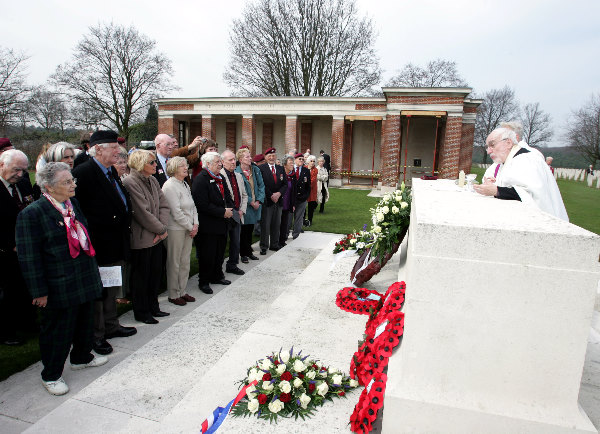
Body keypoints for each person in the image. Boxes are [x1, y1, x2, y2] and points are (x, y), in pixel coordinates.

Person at [16, 162, 108, 395]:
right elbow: (29, 257)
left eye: (72, 180)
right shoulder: (32, 214)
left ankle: (81, 357)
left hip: (82, 276)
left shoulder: (72, 204)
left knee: (84, 322)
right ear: (48, 187)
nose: (73, 185)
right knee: (58, 330)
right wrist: (39, 292)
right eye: (67, 182)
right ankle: (52, 374)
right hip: (59, 283)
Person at [72, 130, 137, 355]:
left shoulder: (109, 171)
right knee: (99, 292)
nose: (118, 152)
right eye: (113, 147)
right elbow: (78, 211)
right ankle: (97, 335)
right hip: (98, 243)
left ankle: (111, 325)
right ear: (97, 148)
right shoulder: (84, 172)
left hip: (115, 241)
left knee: (111, 287)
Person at [473, 128, 568, 221]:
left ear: (508, 143)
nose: (489, 151)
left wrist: (497, 190)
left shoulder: (526, 160)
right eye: (487, 147)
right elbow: (511, 188)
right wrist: (494, 184)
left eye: (492, 145)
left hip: (541, 220)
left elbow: (531, 196)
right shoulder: (508, 161)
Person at [122, 150, 170, 324]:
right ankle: (142, 312)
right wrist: (160, 230)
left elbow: (164, 205)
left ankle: (153, 307)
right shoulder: (130, 182)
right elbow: (142, 213)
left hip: (157, 235)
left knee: (155, 274)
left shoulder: (153, 180)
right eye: (152, 163)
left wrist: (162, 229)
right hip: (142, 239)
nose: (155, 165)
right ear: (141, 163)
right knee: (141, 277)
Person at [0, 147, 36, 346]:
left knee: (24, 289)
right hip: (5, 250)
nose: (20, 174)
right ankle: (6, 331)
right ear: (1, 164)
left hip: (26, 246)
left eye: (23, 170)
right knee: (7, 293)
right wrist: (9, 244)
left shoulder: (22, 184)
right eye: (16, 170)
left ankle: (27, 322)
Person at [192, 152, 234, 294]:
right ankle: (204, 281)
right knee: (207, 254)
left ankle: (217, 276)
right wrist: (222, 212)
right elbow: (202, 204)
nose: (220, 164)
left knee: (219, 252)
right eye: (217, 162)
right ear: (208, 164)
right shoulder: (201, 179)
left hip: (222, 224)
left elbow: (227, 196)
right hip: (208, 225)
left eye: (220, 161)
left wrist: (229, 208)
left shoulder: (220, 177)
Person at [162, 157, 198, 306]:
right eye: (182, 165)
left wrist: (195, 224)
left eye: (186, 165)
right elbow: (176, 212)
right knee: (174, 262)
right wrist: (191, 227)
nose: (186, 167)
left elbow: (193, 206)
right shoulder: (169, 186)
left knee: (185, 261)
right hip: (176, 229)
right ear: (174, 168)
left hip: (189, 228)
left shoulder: (184, 184)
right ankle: (173, 293)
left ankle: (182, 291)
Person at [220, 150, 248, 276]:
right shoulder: (219, 175)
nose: (233, 162)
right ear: (222, 162)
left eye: (234, 159)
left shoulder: (238, 176)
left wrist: (242, 210)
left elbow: (244, 195)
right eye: (230, 160)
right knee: (221, 243)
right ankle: (217, 269)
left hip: (237, 213)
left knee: (236, 242)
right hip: (224, 215)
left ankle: (232, 265)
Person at [235, 148, 265, 263]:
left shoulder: (256, 169)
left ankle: (249, 251)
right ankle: (243, 254)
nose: (250, 158)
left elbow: (261, 186)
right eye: (247, 157)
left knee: (250, 229)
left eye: (250, 156)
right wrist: (251, 202)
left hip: (256, 205)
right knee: (243, 231)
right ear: (241, 159)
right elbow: (239, 191)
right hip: (245, 206)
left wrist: (258, 201)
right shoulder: (237, 172)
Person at [258, 148, 287, 255]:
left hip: (278, 201)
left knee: (276, 223)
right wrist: (271, 195)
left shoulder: (280, 168)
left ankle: (274, 244)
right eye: (269, 156)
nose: (271, 158)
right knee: (265, 224)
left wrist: (279, 194)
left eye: (273, 155)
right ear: (265, 157)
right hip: (267, 200)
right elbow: (261, 185)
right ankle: (264, 246)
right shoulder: (261, 168)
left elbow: (285, 184)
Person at [292, 153, 311, 239]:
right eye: (299, 159)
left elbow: (308, 185)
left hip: (302, 198)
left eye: (302, 159)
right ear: (295, 160)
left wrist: (306, 196)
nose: (301, 161)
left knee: (299, 218)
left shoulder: (306, 170)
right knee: (288, 218)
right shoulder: (290, 169)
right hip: (291, 198)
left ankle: (296, 235)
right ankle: (284, 235)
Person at [279, 156, 297, 248]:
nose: (292, 165)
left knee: (285, 223)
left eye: (293, 163)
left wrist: (293, 204)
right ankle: (276, 241)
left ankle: (282, 240)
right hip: (279, 203)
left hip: (287, 203)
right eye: (290, 163)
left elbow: (293, 191)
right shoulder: (280, 174)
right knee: (277, 223)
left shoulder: (292, 176)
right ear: (285, 164)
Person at [304, 155, 318, 226]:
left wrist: (305, 184)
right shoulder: (304, 168)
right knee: (303, 206)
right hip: (304, 190)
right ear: (308, 162)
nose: (312, 163)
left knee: (311, 206)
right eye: (311, 161)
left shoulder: (315, 170)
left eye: (313, 161)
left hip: (312, 190)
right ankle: (303, 220)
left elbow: (313, 180)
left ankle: (310, 220)